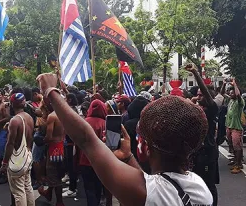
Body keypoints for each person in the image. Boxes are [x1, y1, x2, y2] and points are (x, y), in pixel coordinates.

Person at [37, 73, 213, 206]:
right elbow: (150, 183)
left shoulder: (150, 195)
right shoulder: (199, 187)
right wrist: (128, 157)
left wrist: (51, 91)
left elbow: (86, 140)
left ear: (144, 147)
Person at [186, 64, 219, 206]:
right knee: (197, 182)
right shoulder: (197, 109)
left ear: (208, 97)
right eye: (197, 94)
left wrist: (195, 73)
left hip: (208, 153)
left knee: (209, 184)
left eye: (201, 95)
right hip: (197, 153)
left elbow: (205, 91)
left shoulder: (212, 108)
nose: (198, 96)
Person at [1, 93, 34, 206]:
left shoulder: (15, 120)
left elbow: (10, 144)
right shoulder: (29, 117)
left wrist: (4, 163)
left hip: (18, 160)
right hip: (28, 155)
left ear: (11, 104)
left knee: (19, 192)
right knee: (27, 187)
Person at [79, 99, 107, 206]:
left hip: (85, 159)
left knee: (88, 188)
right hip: (101, 161)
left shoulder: (84, 122)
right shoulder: (105, 123)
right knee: (98, 186)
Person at [38, 98, 66, 206]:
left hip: (53, 148)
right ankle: (48, 193)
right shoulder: (64, 115)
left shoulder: (52, 116)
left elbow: (49, 137)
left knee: (54, 174)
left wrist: (41, 140)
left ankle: (59, 202)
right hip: (62, 146)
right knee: (56, 173)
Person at [222, 79, 244, 174]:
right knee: (231, 145)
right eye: (230, 93)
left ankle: (239, 164)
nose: (230, 94)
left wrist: (235, 84)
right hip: (229, 126)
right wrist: (223, 84)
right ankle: (236, 160)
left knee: (237, 146)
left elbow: (238, 95)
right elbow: (222, 93)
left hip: (236, 127)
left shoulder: (240, 102)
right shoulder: (230, 100)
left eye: (232, 93)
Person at [63, 93, 79, 198]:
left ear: (69, 100)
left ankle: (73, 189)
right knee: (70, 165)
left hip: (71, 142)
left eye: (65, 98)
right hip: (70, 141)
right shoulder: (73, 110)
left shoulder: (71, 111)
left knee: (72, 165)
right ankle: (71, 186)